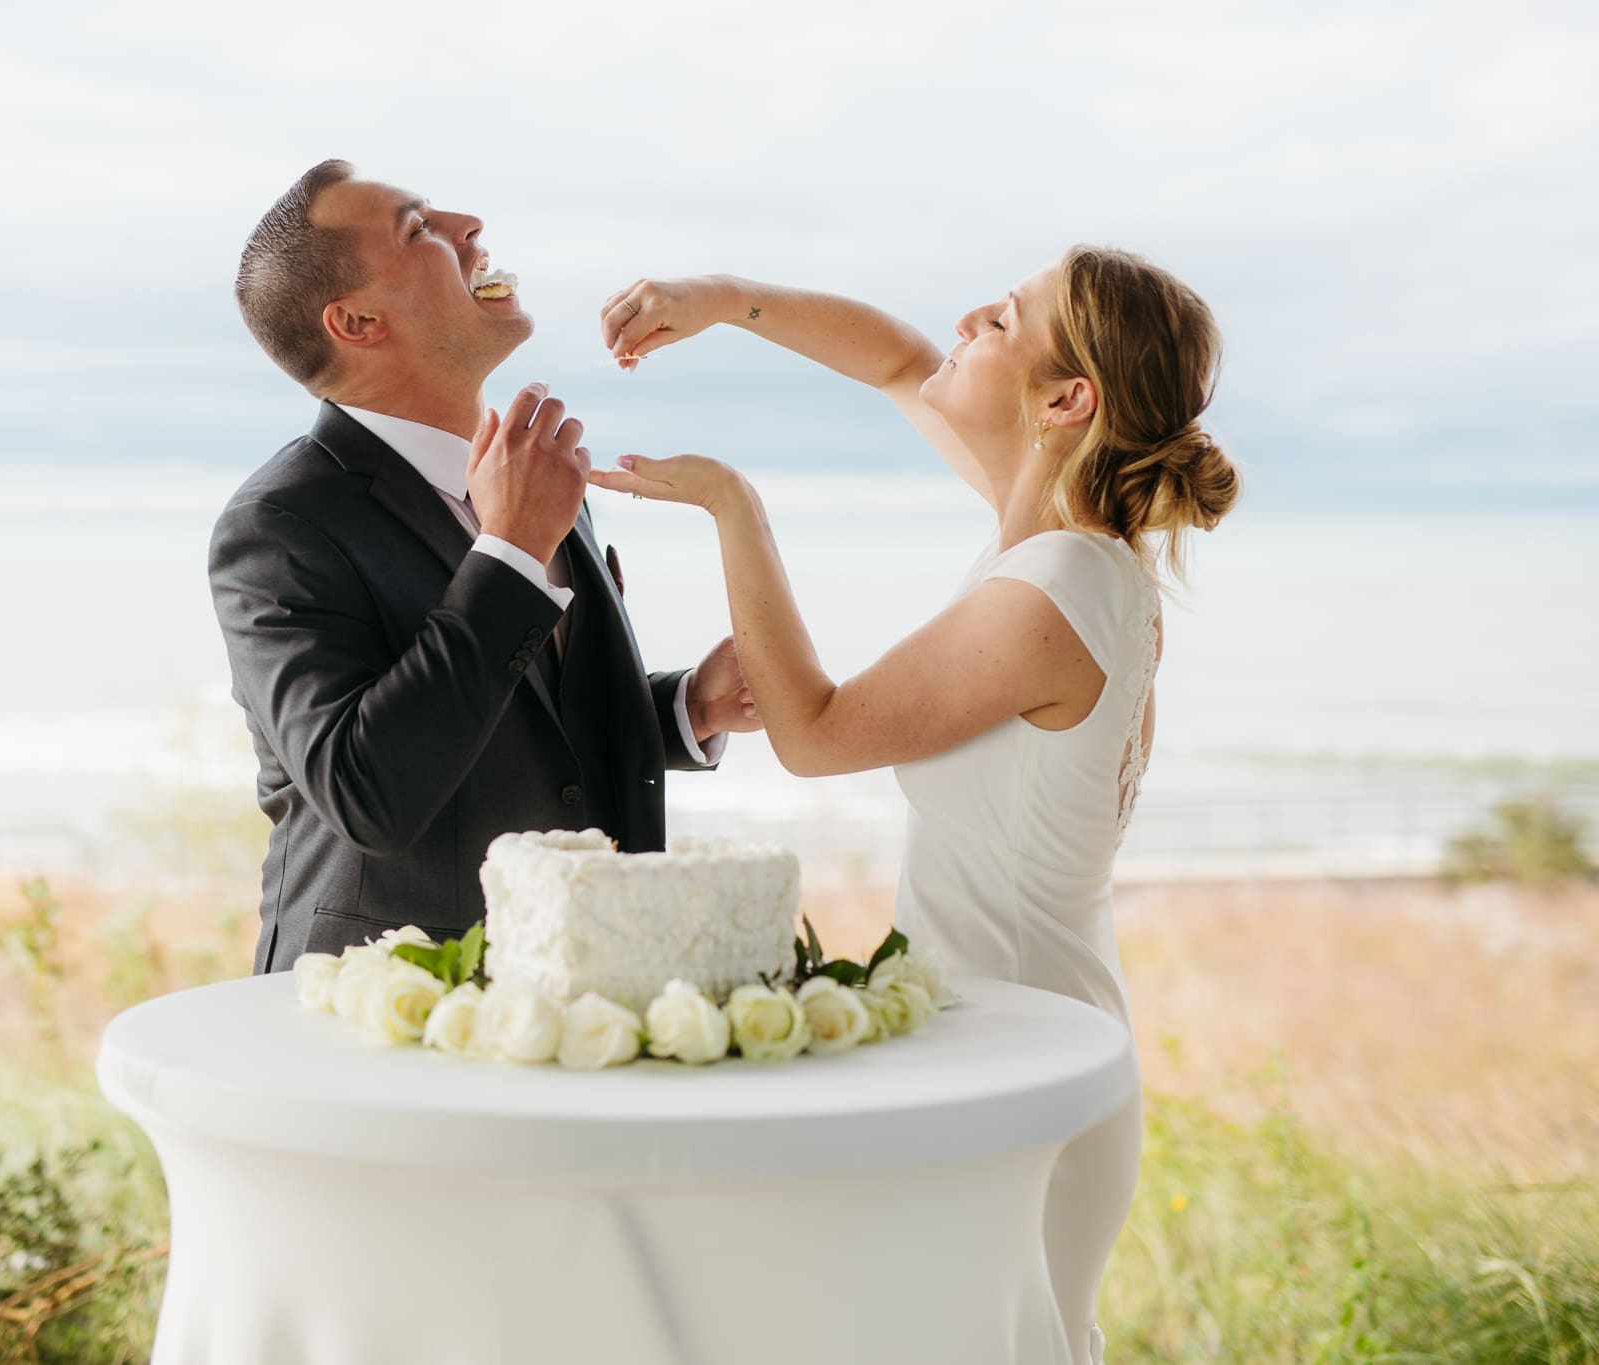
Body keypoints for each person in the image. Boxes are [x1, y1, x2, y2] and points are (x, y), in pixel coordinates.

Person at [588, 250, 1240, 1365]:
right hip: (1002, 1040)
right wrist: (722, 303)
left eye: (1001, 319)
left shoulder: (1054, 589)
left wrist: (732, 508)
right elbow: (893, 358)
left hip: (1022, 1058)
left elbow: (813, 732)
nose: (964, 320)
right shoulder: (1053, 548)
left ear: (1064, 401)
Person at [211, 160, 757, 973]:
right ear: (357, 320)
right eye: (417, 227)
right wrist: (509, 552)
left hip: (578, 985)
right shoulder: (278, 526)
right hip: (382, 1014)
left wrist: (684, 709)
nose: (467, 224)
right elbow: (368, 789)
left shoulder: (530, 478)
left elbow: (521, 714)